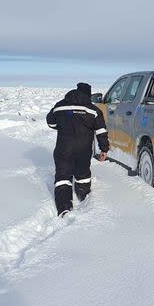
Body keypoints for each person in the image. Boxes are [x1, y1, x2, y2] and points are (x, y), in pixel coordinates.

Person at [46, 82, 110, 217]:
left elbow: (51, 122)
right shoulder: (93, 110)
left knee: (62, 177)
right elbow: (101, 131)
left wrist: (63, 125)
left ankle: (64, 208)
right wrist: (104, 149)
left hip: (63, 148)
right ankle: (84, 197)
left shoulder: (59, 106)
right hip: (83, 150)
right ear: (88, 95)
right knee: (82, 174)